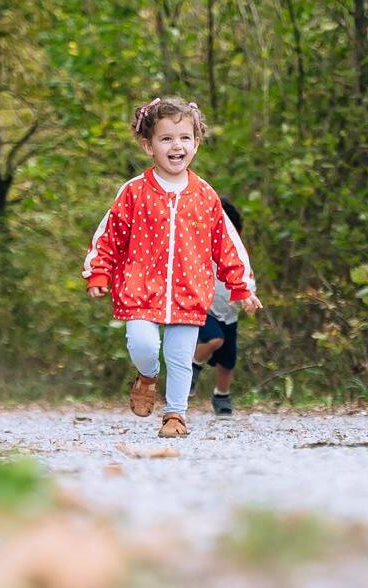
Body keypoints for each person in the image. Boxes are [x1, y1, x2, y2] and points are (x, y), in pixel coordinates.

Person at [83, 96, 262, 438]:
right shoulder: (134, 192)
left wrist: (242, 287)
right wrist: (99, 270)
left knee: (180, 357)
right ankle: (147, 375)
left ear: (196, 142)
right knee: (144, 346)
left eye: (184, 138)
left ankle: (175, 415)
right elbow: (109, 234)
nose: (176, 146)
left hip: (189, 292)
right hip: (139, 290)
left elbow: (226, 245)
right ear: (148, 145)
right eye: (166, 139)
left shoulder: (206, 196)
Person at [189, 198, 254, 417]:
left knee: (228, 361)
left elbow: (247, 276)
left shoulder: (238, 253)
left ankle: (221, 395)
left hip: (229, 312)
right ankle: (192, 367)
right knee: (214, 339)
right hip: (203, 309)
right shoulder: (200, 249)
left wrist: (248, 296)